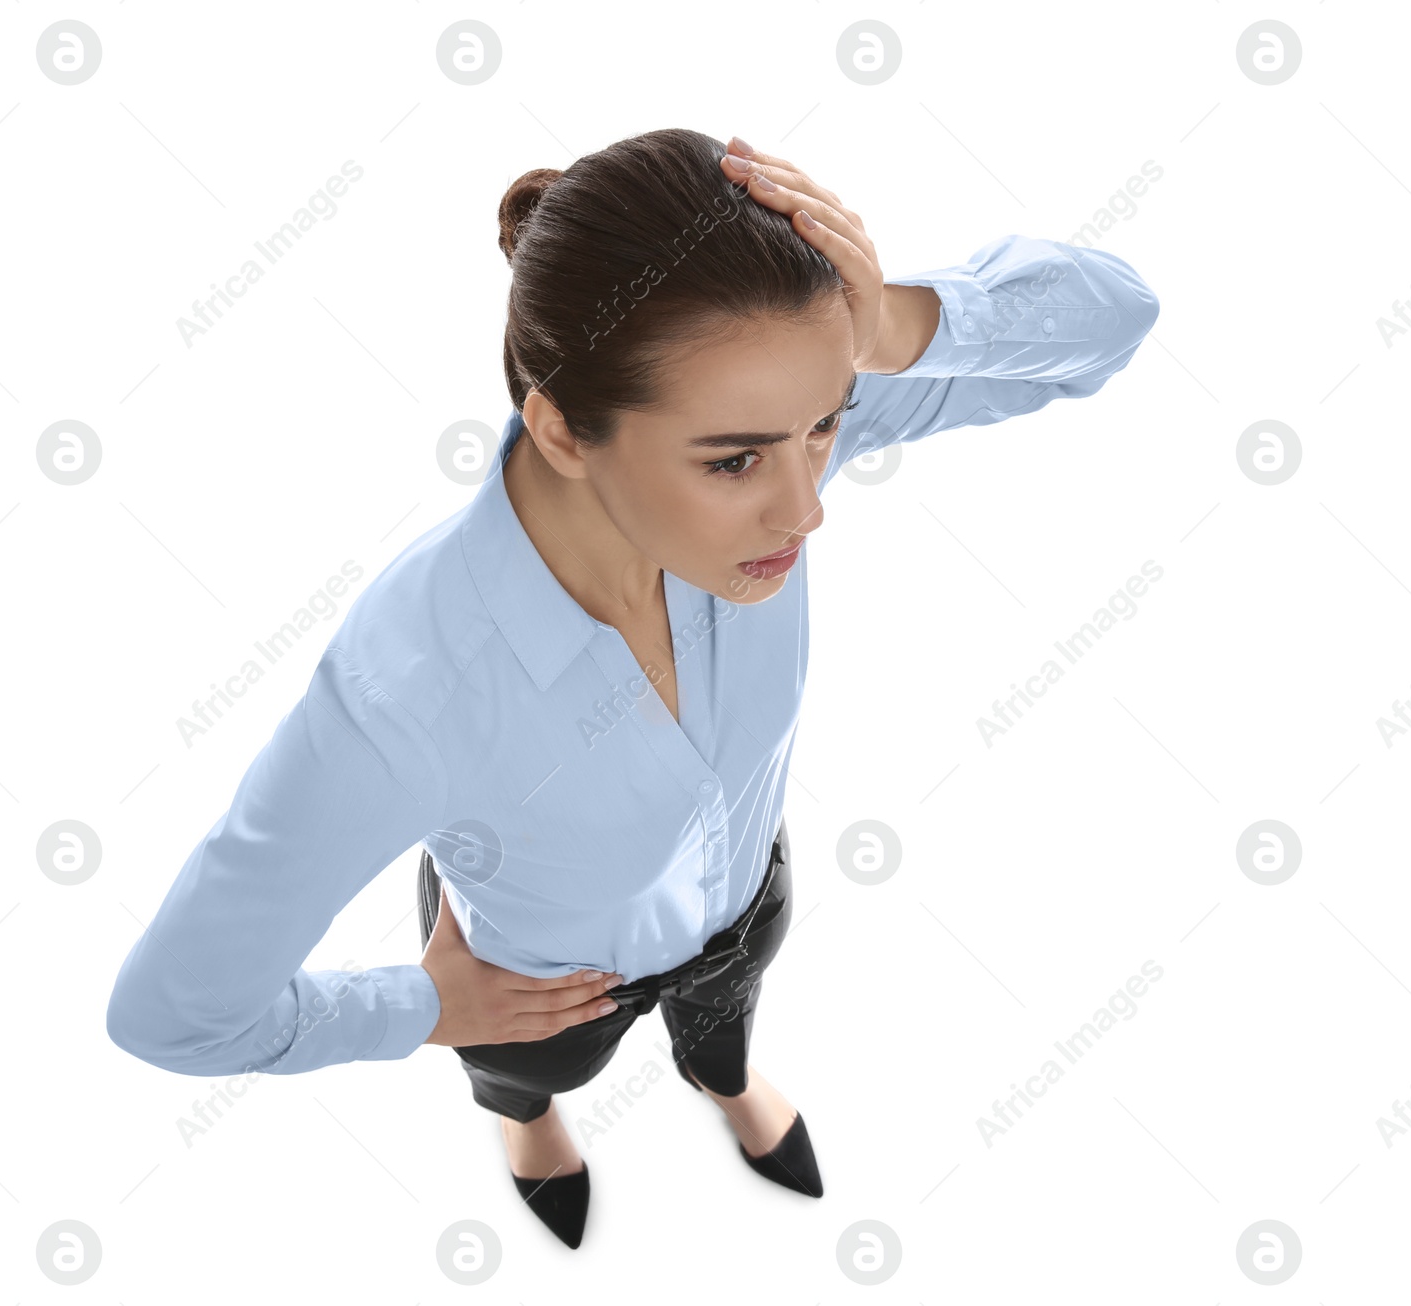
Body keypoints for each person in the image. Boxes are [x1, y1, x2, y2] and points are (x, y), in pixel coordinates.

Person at [105, 127, 1160, 1250]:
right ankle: (527, 1126)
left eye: (824, 426)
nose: (807, 507)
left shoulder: (769, 437)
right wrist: (424, 1006)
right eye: (735, 461)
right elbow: (173, 1013)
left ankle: (728, 1086)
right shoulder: (405, 695)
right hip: (541, 992)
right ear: (562, 426)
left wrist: (897, 322)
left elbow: (1114, 323)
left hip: (745, 906)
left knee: (724, 1029)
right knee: (526, 1076)